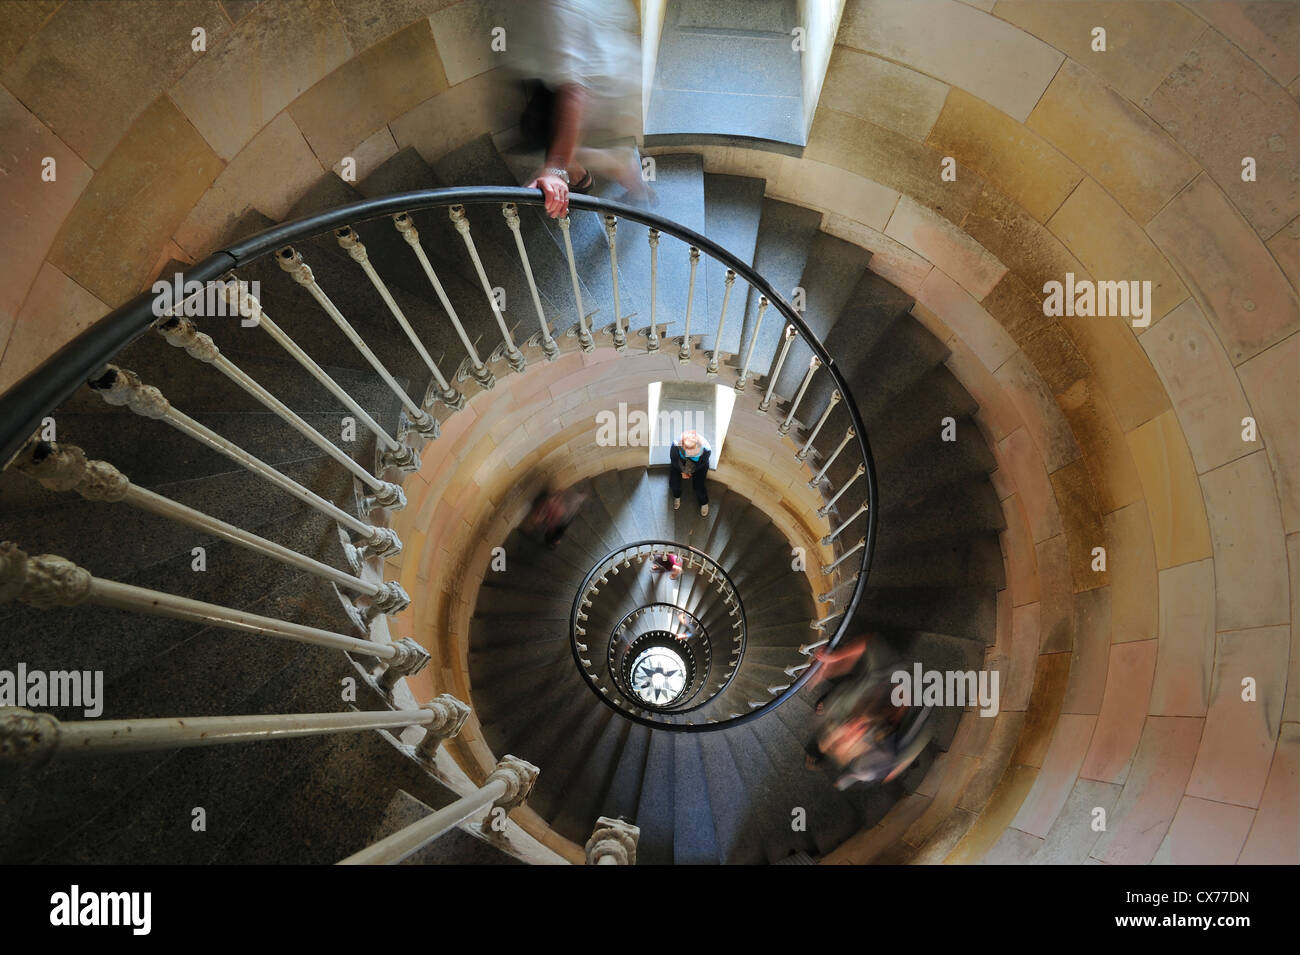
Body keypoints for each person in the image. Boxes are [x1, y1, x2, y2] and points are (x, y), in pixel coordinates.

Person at [509, 0, 647, 219]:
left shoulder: (557, 12)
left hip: (594, 94)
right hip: (604, 76)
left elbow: (575, 92)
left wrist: (554, 168)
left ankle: (638, 194)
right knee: (561, 141)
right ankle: (584, 178)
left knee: (599, 152)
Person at [669, 429, 711, 516]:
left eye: (695, 454)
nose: (691, 456)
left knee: (699, 486)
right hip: (680, 463)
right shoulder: (676, 445)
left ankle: (703, 501)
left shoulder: (706, 450)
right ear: (682, 447)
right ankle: (677, 496)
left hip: (698, 466)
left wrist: (689, 471)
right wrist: (682, 471)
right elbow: (674, 460)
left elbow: (701, 464)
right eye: (689, 453)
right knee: (674, 483)